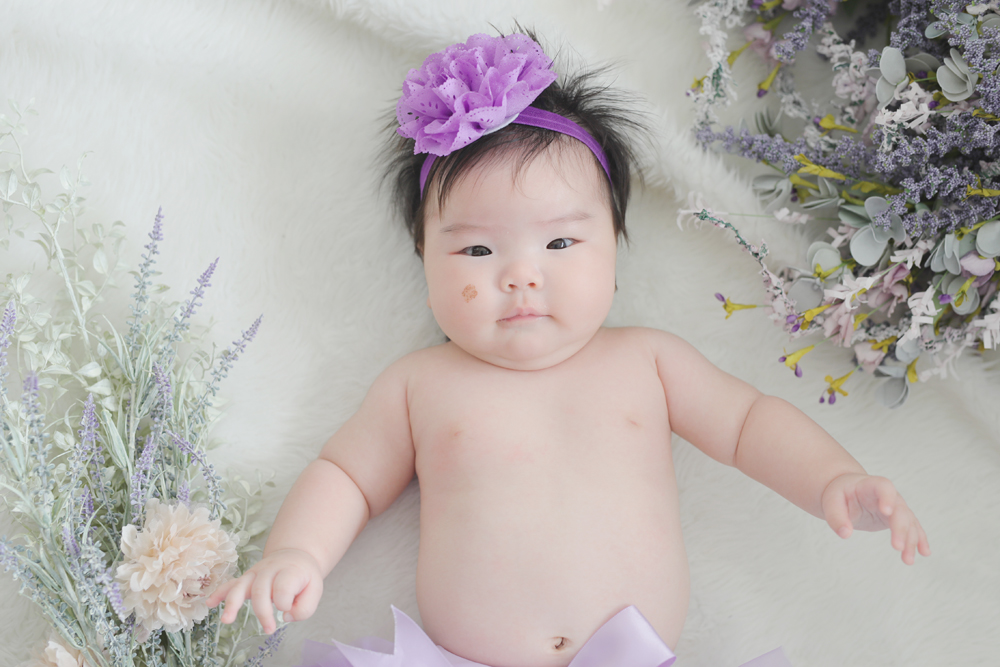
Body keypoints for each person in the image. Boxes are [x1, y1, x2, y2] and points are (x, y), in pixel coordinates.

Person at [207, 29, 930, 667]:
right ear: (426, 266)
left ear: (612, 250)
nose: (522, 274)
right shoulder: (419, 385)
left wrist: (832, 478)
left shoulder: (648, 361)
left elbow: (748, 425)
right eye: (478, 249)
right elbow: (346, 476)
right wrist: (297, 553)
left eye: (559, 242)